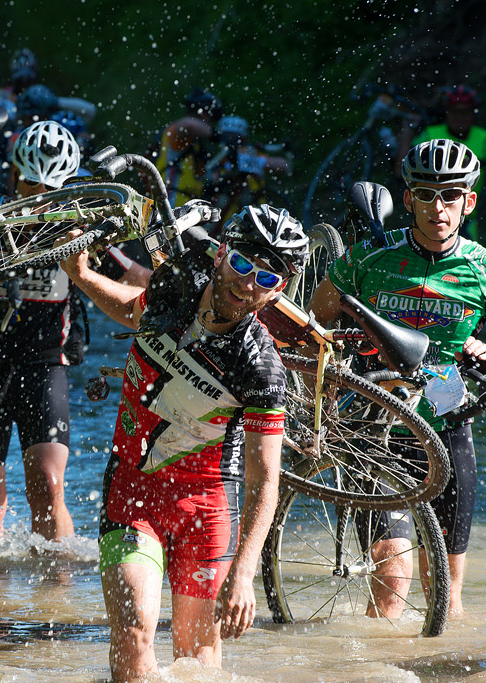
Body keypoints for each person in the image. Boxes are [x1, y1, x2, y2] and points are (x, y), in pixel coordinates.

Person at [61, 205, 309, 680]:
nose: (248, 284)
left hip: (208, 510)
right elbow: (131, 309)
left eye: (266, 278)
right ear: (220, 255)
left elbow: (265, 479)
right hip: (133, 493)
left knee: (197, 663)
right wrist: (82, 275)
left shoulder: (260, 368)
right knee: (134, 633)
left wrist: (244, 570)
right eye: (240, 264)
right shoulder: (175, 287)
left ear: (279, 289)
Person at [307, 138, 486, 617]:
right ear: (409, 198)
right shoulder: (368, 258)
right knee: (393, 579)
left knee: (447, 596)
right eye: (427, 194)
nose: (439, 207)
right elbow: (314, 327)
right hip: (372, 427)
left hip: (445, 420)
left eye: (451, 195)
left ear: (468, 201)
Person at [0, 120, 145, 555]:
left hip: (43, 365)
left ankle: (56, 608)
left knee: (48, 488)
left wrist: (181, 280)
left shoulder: (77, 228)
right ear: (14, 175)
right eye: (30, 184)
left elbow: (137, 277)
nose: (38, 196)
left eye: (49, 187)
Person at [397, 84, 486, 236]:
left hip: (465, 221)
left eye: (465, 112)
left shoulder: (485, 140)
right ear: (447, 112)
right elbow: (401, 169)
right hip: (428, 217)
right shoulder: (430, 134)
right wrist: (407, 131)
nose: (460, 117)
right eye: (455, 111)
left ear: (473, 114)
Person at [154, 87, 224, 207]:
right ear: (202, 113)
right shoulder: (177, 134)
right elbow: (189, 124)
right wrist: (218, 136)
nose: (211, 123)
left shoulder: (196, 145)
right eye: (211, 119)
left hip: (185, 207)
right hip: (170, 203)